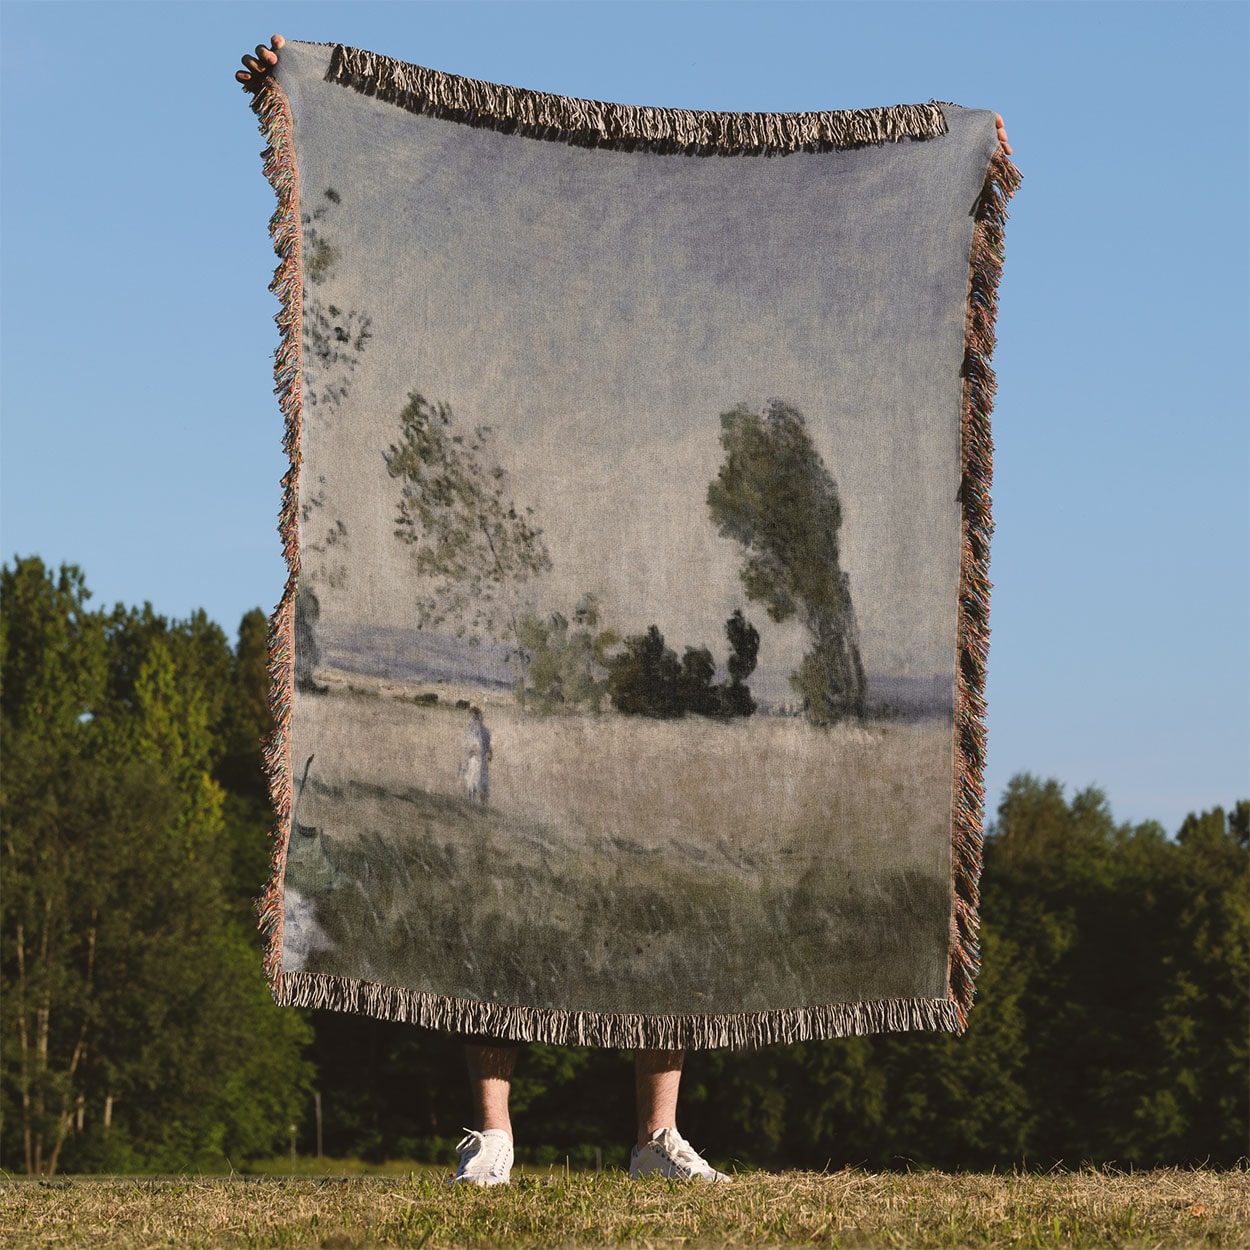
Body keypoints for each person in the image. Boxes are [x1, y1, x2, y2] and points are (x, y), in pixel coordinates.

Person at [236, 36, 1012, 1186]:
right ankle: (493, 1132)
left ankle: (655, 1135)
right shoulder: (517, 398)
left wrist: (963, 160)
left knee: (661, 910)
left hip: (632, 676)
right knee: (490, 910)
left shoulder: (670, 443)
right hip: (527, 662)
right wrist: (296, 74)